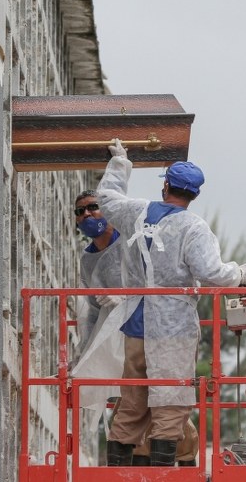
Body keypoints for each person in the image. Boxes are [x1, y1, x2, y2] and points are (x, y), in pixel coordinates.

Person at [95, 139, 246, 467]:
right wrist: (240, 273)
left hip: (135, 324)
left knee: (134, 398)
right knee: (171, 399)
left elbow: (107, 200)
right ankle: (162, 478)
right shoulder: (194, 228)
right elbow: (213, 274)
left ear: (166, 186)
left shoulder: (137, 212)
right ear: (193, 195)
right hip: (173, 329)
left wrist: (120, 163)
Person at [72, 190, 199, 466]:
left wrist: (124, 299)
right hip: (129, 331)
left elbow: (147, 276)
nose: (87, 215)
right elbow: (92, 310)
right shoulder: (90, 259)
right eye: (80, 211)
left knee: (165, 400)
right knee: (138, 400)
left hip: (160, 328)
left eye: (93, 207)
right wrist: (86, 349)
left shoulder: (130, 240)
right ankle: (140, 471)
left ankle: (179, 462)